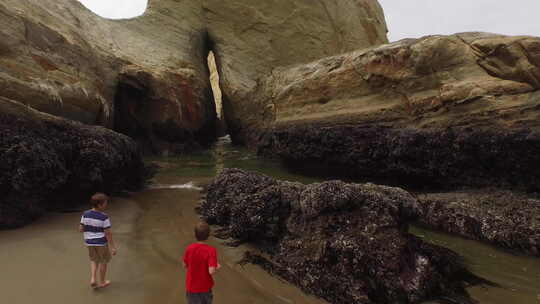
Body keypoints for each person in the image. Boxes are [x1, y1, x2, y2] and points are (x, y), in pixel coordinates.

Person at [79, 193, 117, 289]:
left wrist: (89, 228)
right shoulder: (104, 217)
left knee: (94, 260)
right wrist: (112, 247)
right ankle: (103, 282)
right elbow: (108, 233)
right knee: (103, 262)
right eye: (105, 203)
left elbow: (80, 229)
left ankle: (92, 279)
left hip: (89, 242)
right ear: (99, 205)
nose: (106, 205)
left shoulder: (85, 214)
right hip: (101, 243)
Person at [182, 221, 221, 304]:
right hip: (205, 287)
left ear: (195, 234)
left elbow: (184, 265)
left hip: (191, 286)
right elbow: (211, 271)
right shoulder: (211, 250)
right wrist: (216, 266)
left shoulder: (189, 248)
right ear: (208, 236)